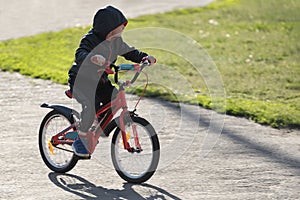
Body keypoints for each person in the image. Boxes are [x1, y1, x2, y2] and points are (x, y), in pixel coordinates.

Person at [67, 5, 156, 158]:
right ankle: (81, 138)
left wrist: (143, 57)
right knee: (91, 104)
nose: (120, 33)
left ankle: (97, 122)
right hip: (81, 80)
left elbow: (130, 52)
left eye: (121, 30)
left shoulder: (116, 42)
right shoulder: (91, 40)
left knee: (114, 96)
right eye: (117, 30)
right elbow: (79, 54)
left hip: (99, 81)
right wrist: (92, 58)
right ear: (106, 29)